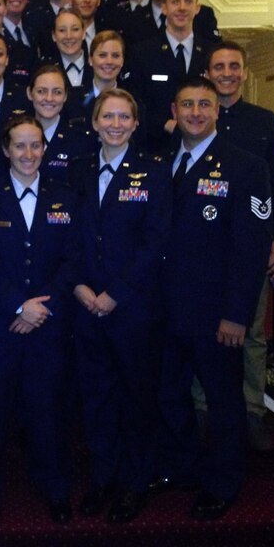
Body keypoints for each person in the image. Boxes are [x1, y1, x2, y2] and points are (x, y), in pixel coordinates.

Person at [156, 77, 272, 520]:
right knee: (170, 394)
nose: (197, 112)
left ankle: (223, 481)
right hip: (166, 310)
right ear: (175, 109)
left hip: (215, 314)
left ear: (218, 110)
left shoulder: (245, 166)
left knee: (223, 401)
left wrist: (236, 315)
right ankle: (183, 468)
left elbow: (251, 249)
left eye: (205, 104)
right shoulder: (162, 161)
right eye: (188, 105)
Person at [0, 115, 79, 530]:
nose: (29, 154)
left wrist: (39, 309)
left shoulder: (65, 196)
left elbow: (73, 260)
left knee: (47, 412)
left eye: (36, 146)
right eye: (20, 146)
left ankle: (55, 489)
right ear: (5, 150)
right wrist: (18, 305)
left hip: (47, 326)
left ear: (44, 150)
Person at [71, 88, 172, 522]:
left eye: (123, 117)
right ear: (94, 122)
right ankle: (103, 478)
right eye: (106, 116)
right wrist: (79, 287)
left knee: (136, 397)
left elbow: (156, 244)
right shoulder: (76, 170)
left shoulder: (154, 173)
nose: (114, 124)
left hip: (132, 309)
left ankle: (135, 483)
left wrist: (116, 293)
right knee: (96, 399)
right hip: (85, 305)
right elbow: (67, 235)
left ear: (134, 124)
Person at [194, 41, 274, 451]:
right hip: (205, 248)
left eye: (234, 66)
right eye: (219, 66)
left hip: (252, 245)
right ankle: (201, 408)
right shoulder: (194, 122)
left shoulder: (264, 121)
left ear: (245, 73)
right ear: (208, 73)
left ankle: (252, 409)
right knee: (202, 326)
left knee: (251, 330)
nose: (227, 72)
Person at [127, 0, 214, 153]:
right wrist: (163, 124)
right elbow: (134, 101)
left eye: (188, 1)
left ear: (197, 8)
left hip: (203, 147)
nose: (182, 7)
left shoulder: (211, 53)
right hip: (156, 148)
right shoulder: (142, 52)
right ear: (164, 8)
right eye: (175, 1)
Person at [26, 64, 94, 183]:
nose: (49, 98)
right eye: (41, 91)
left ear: (65, 96)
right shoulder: (15, 135)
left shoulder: (81, 141)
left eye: (57, 92)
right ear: (29, 93)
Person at [43, 9, 93, 89]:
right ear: (54, 36)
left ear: (84, 33)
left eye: (75, 29)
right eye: (62, 30)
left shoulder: (97, 66)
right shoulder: (43, 70)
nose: (69, 36)